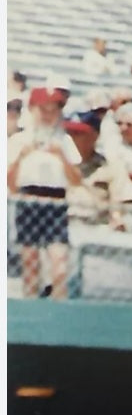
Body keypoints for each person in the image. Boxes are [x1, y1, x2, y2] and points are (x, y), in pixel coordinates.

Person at [6, 86, 82, 298]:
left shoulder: (65, 141)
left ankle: (59, 310)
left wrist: (62, 157)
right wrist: (21, 157)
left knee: (59, 265)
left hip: (56, 202)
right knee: (30, 263)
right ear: (32, 109)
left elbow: (76, 180)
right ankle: (30, 307)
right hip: (28, 199)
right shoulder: (18, 140)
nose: (48, 115)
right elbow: (10, 184)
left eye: (53, 110)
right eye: (43, 109)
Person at [64, 118, 132, 228]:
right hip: (65, 224)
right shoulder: (62, 165)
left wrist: (116, 219)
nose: (74, 138)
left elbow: (123, 202)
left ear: (95, 136)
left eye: (79, 134)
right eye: (71, 133)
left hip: (98, 226)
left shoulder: (112, 167)